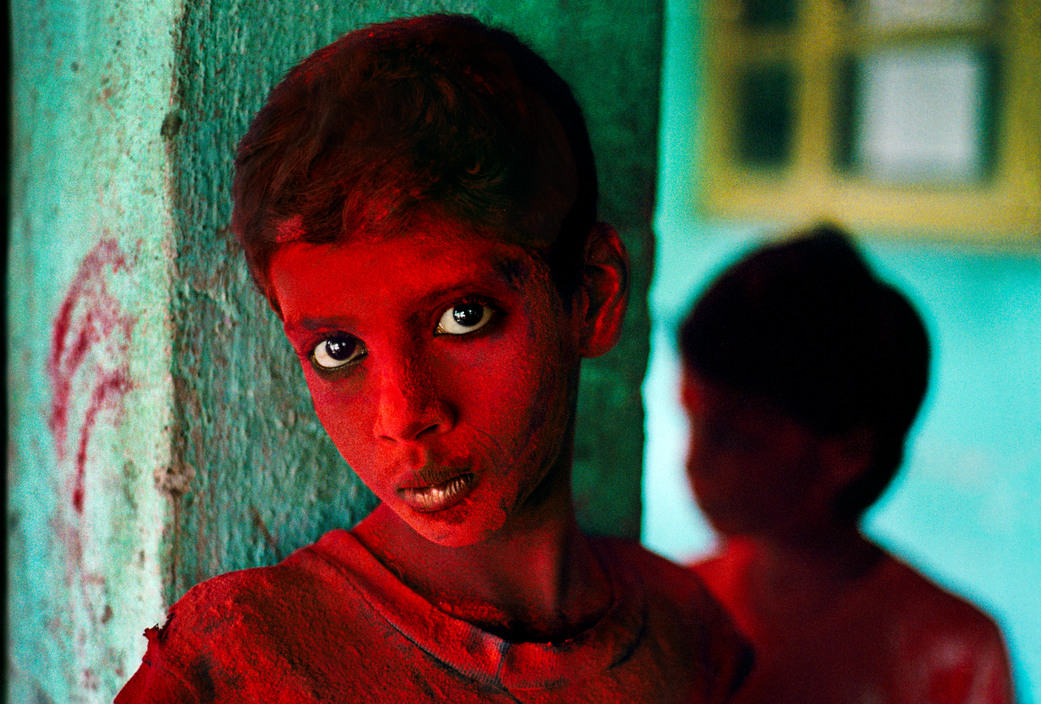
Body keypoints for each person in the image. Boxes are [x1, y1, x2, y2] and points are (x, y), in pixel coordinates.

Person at [116, 14, 751, 703]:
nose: (404, 416)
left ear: (592, 296)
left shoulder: (689, 641)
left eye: (463, 317)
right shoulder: (235, 664)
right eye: (337, 350)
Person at [678, 224, 1015, 704]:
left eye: (736, 438)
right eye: (691, 420)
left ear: (847, 454)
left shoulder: (953, 650)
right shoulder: (678, 609)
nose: (694, 460)